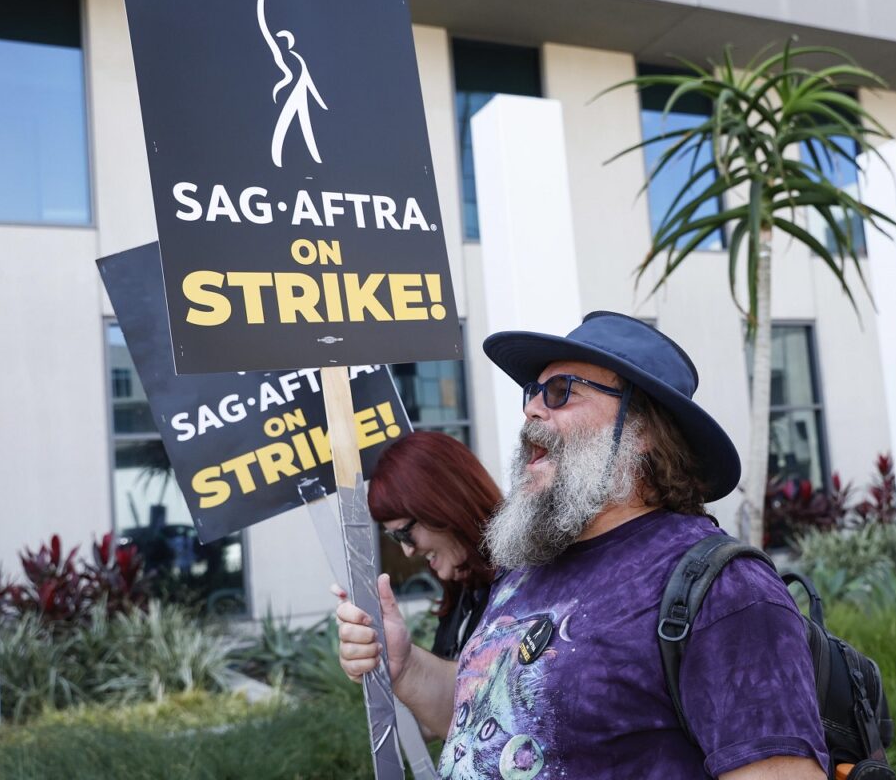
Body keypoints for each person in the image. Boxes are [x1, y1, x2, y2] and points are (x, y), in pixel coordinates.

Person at [338, 311, 828, 779]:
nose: (531, 408)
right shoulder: (525, 568)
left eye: (559, 392)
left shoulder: (725, 589)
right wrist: (405, 664)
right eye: (532, 393)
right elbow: (489, 724)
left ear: (642, 432)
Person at [366, 430, 499, 659]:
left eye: (404, 533)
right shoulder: (463, 591)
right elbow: (455, 692)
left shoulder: (528, 588)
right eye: (394, 538)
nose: (407, 551)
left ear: (446, 505)